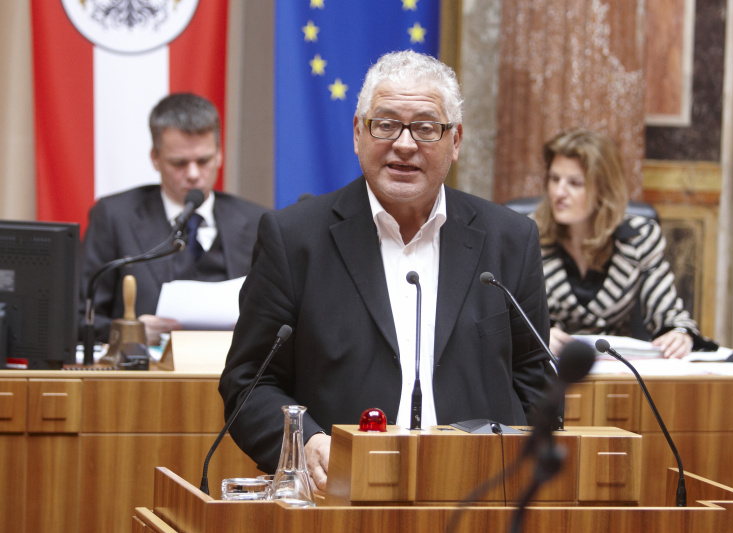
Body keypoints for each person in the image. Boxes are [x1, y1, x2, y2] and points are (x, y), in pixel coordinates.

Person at [219, 50, 554, 496]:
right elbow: (249, 385)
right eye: (386, 124)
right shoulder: (294, 238)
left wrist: (513, 473)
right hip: (341, 497)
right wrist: (307, 443)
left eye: (426, 127)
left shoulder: (510, 240)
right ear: (358, 133)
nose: (404, 144)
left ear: (455, 141)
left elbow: (536, 377)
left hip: (476, 496)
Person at [79, 93, 267, 345]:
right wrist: (130, 333)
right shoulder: (116, 217)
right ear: (155, 159)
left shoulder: (257, 222)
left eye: (203, 161)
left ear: (220, 155)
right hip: (146, 378)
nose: (193, 174)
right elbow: (81, 317)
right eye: (179, 163)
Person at [533, 128, 708, 359]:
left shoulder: (639, 238)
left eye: (575, 183)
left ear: (603, 190)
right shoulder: (528, 236)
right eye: (554, 179)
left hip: (617, 371)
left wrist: (679, 333)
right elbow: (508, 316)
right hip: (548, 371)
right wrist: (535, 332)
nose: (558, 192)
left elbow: (668, 312)